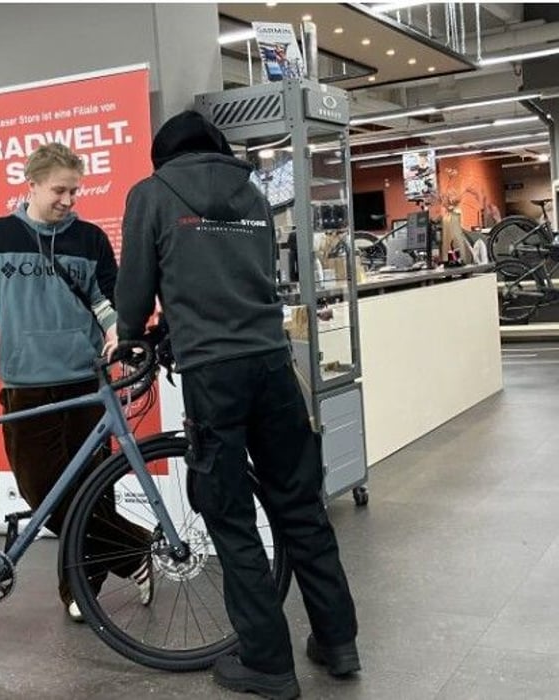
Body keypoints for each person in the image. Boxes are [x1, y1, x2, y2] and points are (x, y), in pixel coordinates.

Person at [115, 111, 359, 700]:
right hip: (274, 365)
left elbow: (136, 285)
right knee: (301, 506)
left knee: (230, 518)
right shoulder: (252, 192)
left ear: (163, 156)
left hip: (212, 372)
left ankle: (267, 663)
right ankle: (338, 641)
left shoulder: (151, 193)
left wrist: (131, 335)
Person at [0, 142, 153, 621]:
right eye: (60, 190)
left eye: (74, 191)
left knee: (91, 492)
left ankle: (81, 588)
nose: (69, 200)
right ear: (31, 184)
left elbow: (107, 303)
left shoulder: (91, 239)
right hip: (25, 386)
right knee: (43, 496)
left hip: (85, 384)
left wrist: (118, 331)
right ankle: (137, 551)